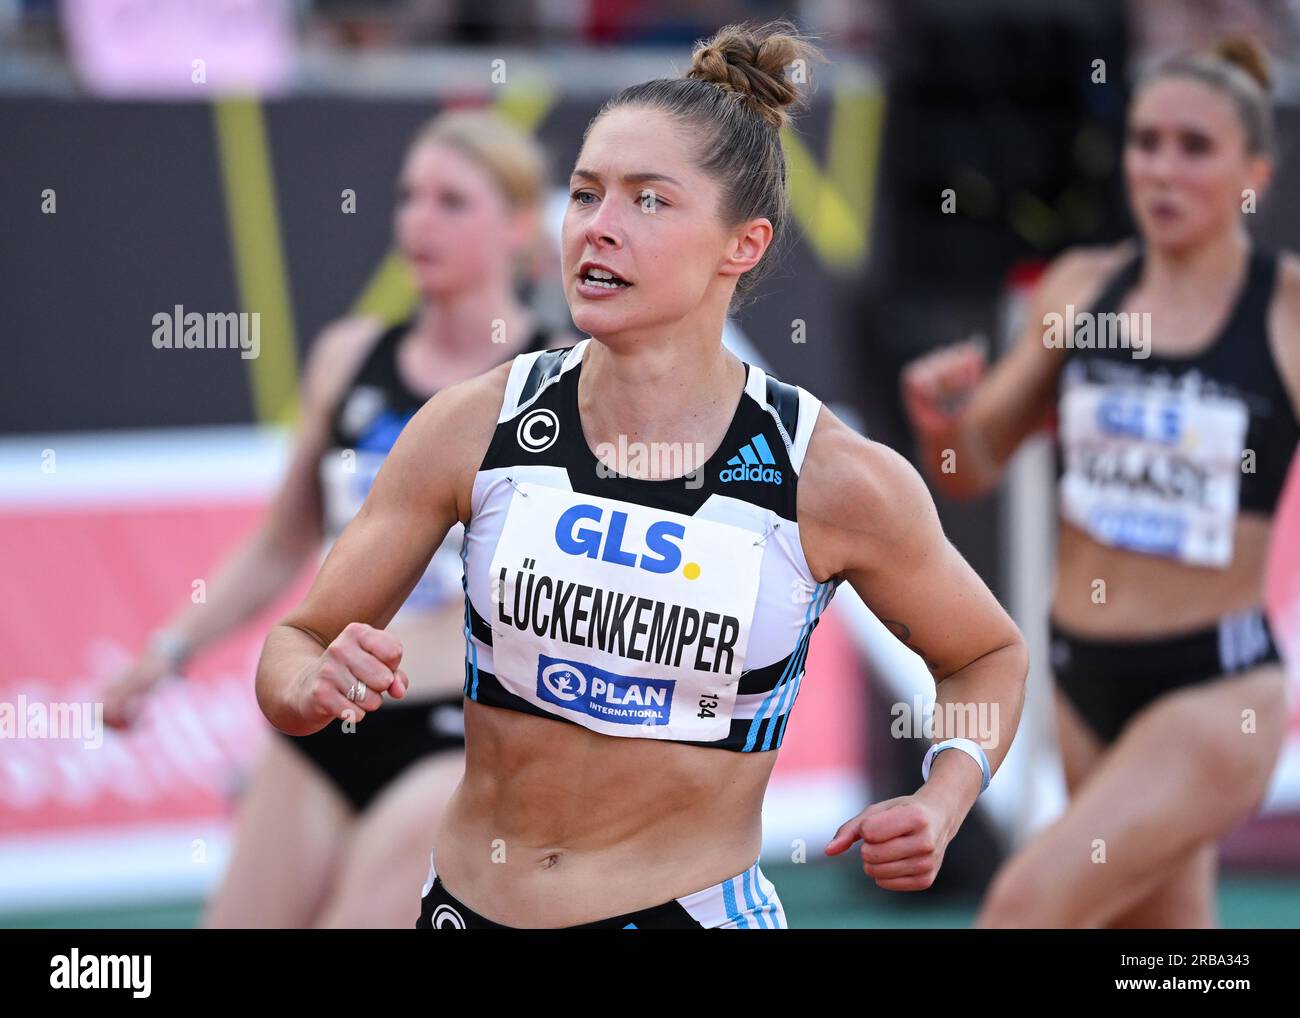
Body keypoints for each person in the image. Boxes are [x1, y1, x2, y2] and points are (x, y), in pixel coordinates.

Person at [256, 20, 1029, 930]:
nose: (599, 228)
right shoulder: (475, 423)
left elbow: (985, 655)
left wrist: (944, 795)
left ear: (742, 245)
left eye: (649, 201)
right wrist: (309, 686)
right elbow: (296, 643)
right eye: (585, 194)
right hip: (465, 910)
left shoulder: (829, 476)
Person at [102, 108, 570, 927]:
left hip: (456, 733)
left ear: (519, 227)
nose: (419, 219)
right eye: (408, 195)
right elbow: (284, 541)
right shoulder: (347, 356)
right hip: (326, 713)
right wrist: (168, 651)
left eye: (452, 201)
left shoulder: (559, 385)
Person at [902, 38, 1300, 927]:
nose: (1161, 168)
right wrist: (942, 426)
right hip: (1084, 677)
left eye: (1194, 148)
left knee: (1024, 909)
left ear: (1254, 174)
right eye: (1146, 141)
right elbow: (972, 470)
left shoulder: (1285, 311)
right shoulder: (1083, 290)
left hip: (1214, 690)